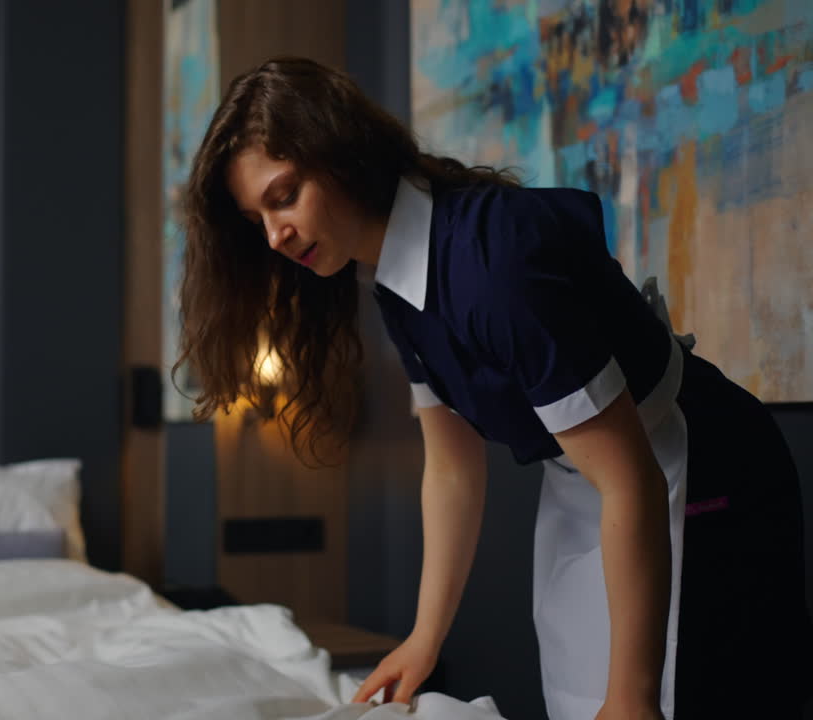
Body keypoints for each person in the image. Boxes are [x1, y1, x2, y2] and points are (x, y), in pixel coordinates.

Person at [174, 56, 812, 720]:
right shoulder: (393, 279)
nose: (276, 236)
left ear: (338, 152)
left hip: (696, 465)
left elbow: (633, 480)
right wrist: (424, 640)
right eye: (258, 220)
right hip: (594, 480)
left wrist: (633, 697)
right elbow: (450, 468)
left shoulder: (491, 268)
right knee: (577, 697)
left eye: (283, 196)